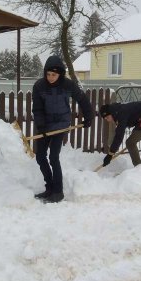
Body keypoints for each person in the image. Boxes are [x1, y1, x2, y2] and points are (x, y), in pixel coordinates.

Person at [32, 55, 94, 203]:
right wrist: (41, 125)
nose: (50, 77)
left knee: (53, 157)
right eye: (48, 74)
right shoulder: (39, 86)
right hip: (45, 125)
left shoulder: (68, 85)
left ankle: (58, 192)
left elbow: (82, 99)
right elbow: (38, 108)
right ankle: (50, 187)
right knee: (40, 156)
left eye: (54, 74)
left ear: (60, 74)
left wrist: (89, 116)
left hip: (61, 124)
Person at [99, 102, 141, 167]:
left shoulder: (121, 113)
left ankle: (138, 167)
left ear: (111, 113)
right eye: (105, 119)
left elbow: (119, 135)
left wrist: (110, 154)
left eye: (107, 117)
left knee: (130, 143)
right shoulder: (118, 110)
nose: (108, 120)